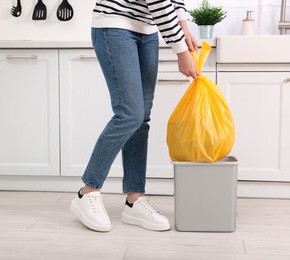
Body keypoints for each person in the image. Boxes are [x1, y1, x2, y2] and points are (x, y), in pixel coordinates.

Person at [70, 0, 199, 232]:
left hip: (147, 31)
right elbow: (159, 3)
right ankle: (87, 192)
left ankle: (134, 199)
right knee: (129, 114)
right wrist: (180, 50)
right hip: (115, 26)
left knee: (141, 119)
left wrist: (185, 28)